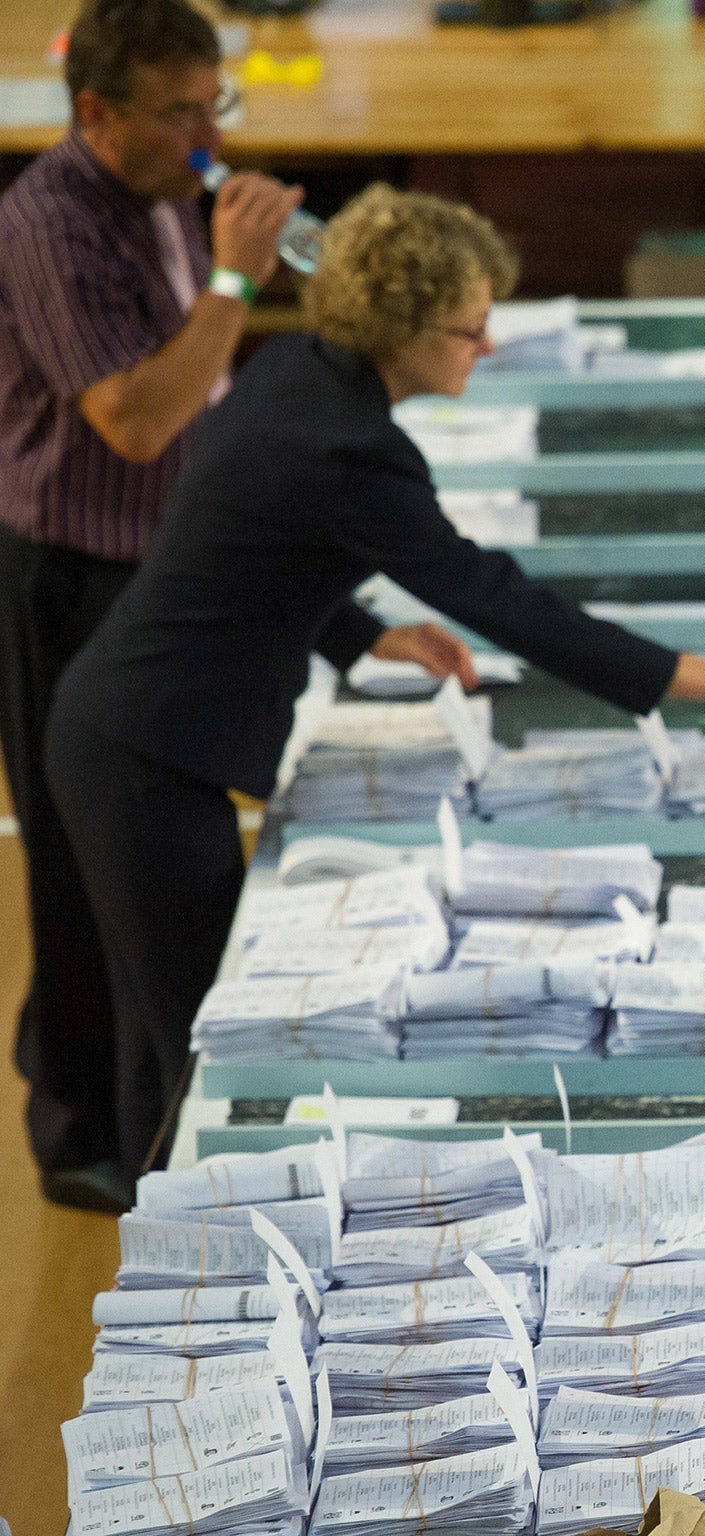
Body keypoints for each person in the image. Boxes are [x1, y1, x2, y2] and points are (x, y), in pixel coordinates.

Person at [44, 184, 705, 1193]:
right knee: (201, 1045)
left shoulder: (299, 372)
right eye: (468, 328)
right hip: (144, 754)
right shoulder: (351, 451)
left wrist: (359, 633)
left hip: (121, 727)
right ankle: (180, 1261)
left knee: (161, 1028)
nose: (486, 345)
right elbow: (505, 604)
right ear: (401, 327)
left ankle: (153, 1216)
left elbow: (239, 530)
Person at [0, 0, 302, 1211]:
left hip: (158, 568)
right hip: (67, 581)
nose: (202, 136)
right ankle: (80, 1131)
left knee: (143, 865)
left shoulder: (169, 193)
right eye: (177, 113)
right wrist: (237, 277)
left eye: (211, 104)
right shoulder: (46, 225)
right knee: (78, 870)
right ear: (95, 113)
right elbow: (133, 420)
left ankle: (137, 1093)